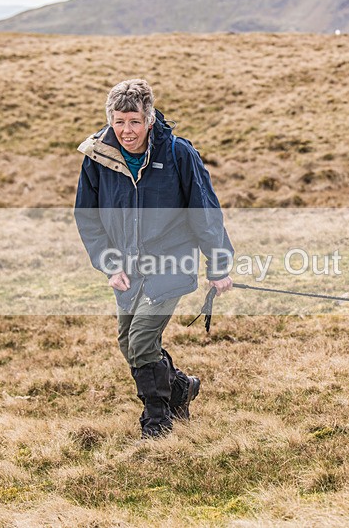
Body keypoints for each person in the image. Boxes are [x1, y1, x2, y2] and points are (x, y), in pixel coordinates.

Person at [74, 79, 233, 439]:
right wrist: (110, 263)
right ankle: (179, 388)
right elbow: (87, 216)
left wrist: (219, 265)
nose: (127, 131)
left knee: (142, 340)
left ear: (149, 119)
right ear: (110, 121)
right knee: (127, 343)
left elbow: (205, 211)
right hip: (128, 268)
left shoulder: (178, 154)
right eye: (119, 122)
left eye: (134, 121)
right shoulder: (98, 157)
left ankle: (157, 421)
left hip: (171, 263)